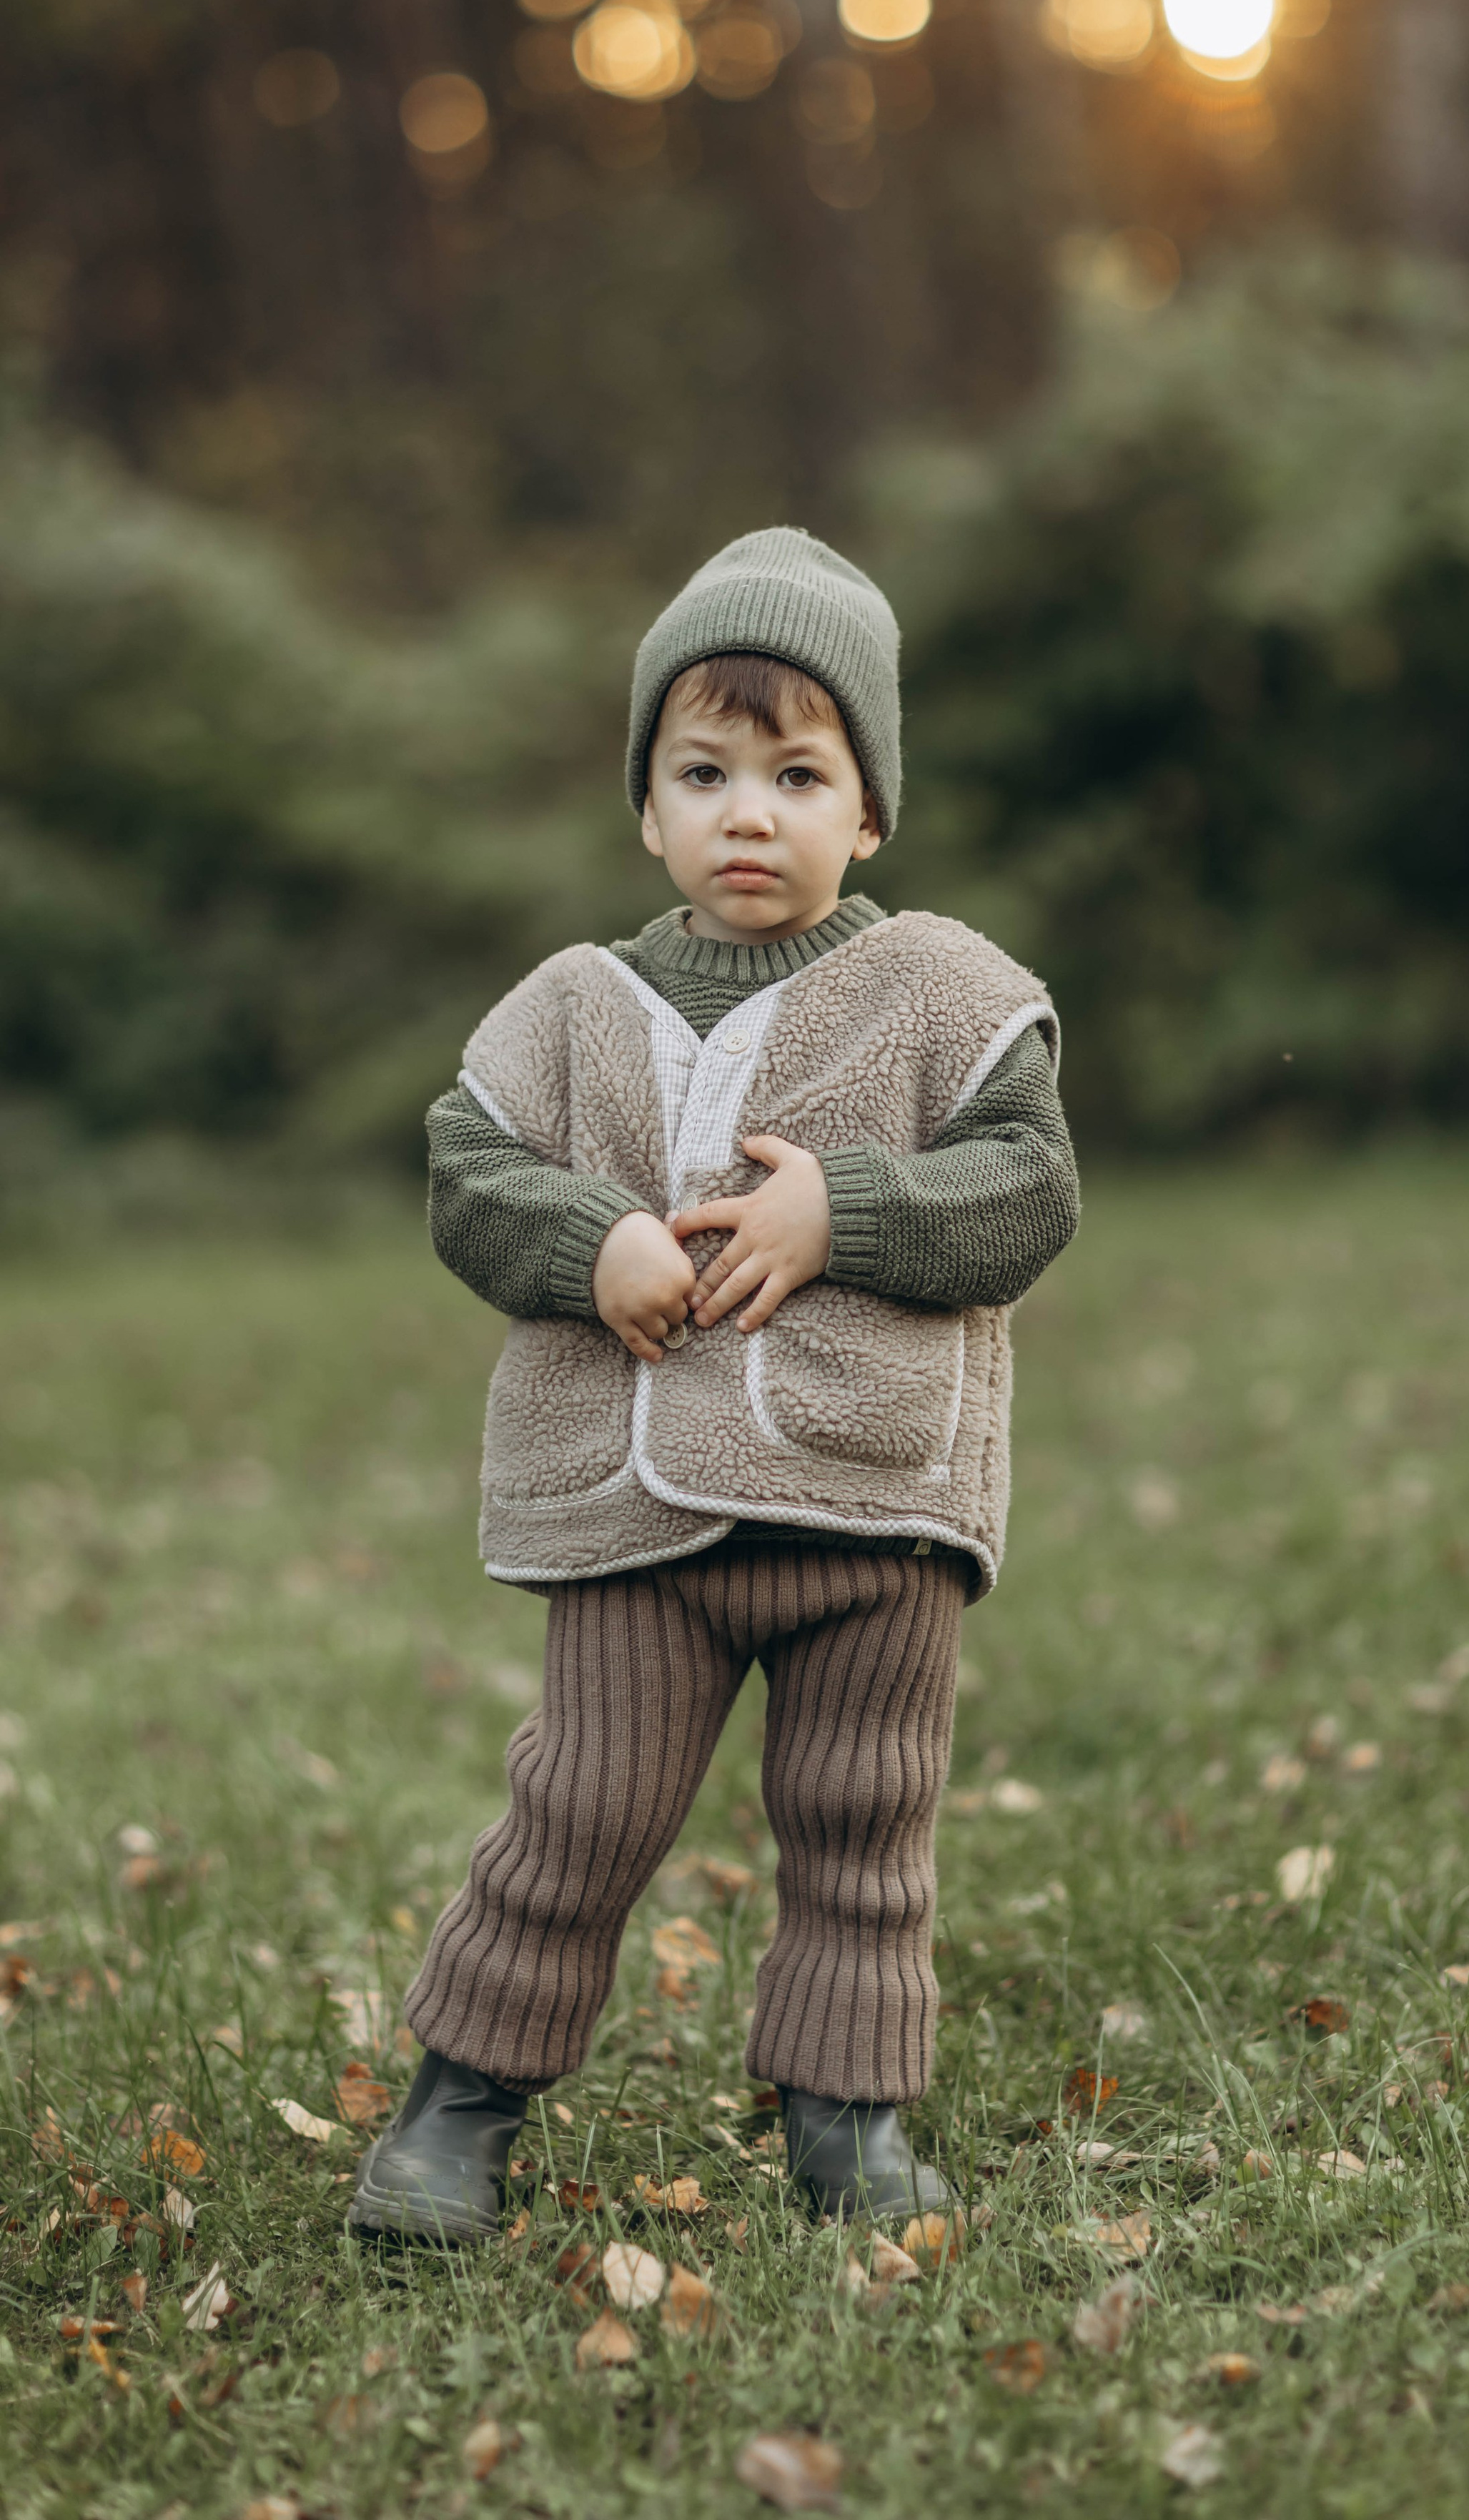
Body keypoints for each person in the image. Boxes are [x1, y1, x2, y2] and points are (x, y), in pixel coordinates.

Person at [348, 528, 1079, 2244]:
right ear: (646, 809)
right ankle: (460, 2109)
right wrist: (587, 1239)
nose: (750, 813)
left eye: (798, 775)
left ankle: (848, 2123)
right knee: (580, 1811)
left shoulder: (941, 991)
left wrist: (845, 1211)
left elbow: (1029, 1188)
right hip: (637, 1522)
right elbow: (467, 1171)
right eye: (704, 772)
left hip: (871, 1510)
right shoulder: (571, 1007)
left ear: (868, 812)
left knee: (860, 1824)